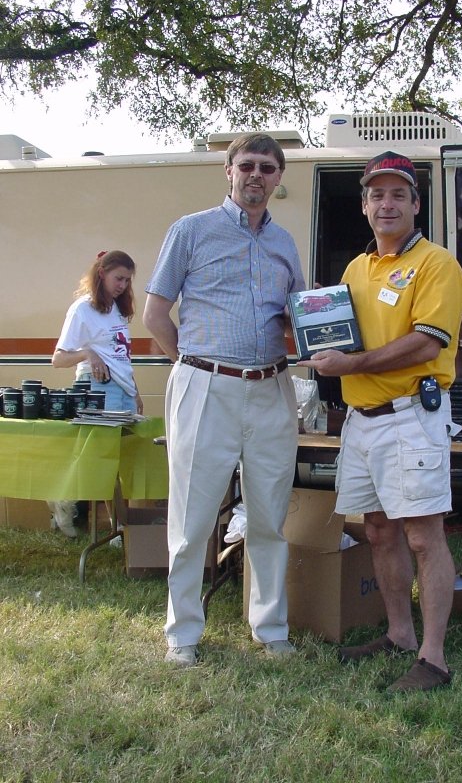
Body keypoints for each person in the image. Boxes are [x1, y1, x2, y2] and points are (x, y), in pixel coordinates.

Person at [299, 151, 462, 693]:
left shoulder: (438, 263)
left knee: (423, 534)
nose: (387, 203)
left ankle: (433, 658)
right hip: (362, 420)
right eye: (377, 194)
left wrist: (350, 364)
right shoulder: (355, 269)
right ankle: (398, 634)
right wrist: (315, 346)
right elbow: (340, 337)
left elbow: (426, 342)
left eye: (399, 194)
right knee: (377, 530)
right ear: (366, 205)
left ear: (416, 205)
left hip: (411, 417)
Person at [143, 132, 305, 668]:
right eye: (247, 165)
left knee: (268, 517)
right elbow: (155, 314)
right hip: (203, 384)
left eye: (267, 167)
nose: (256, 175)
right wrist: (189, 366)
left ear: (279, 178)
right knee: (191, 519)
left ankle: (271, 628)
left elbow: (295, 319)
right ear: (228, 172)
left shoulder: (286, 245)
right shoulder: (190, 231)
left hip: (272, 388)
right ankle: (183, 635)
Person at [50, 250, 143, 537]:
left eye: (128, 281)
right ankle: (67, 504)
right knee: (103, 463)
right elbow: (58, 359)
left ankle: (118, 527)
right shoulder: (82, 309)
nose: (123, 286)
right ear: (101, 274)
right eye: (118, 278)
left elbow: (120, 358)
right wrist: (88, 354)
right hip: (98, 390)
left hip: (123, 391)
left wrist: (135, 391)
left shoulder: (116, 309)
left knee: (116, 464)